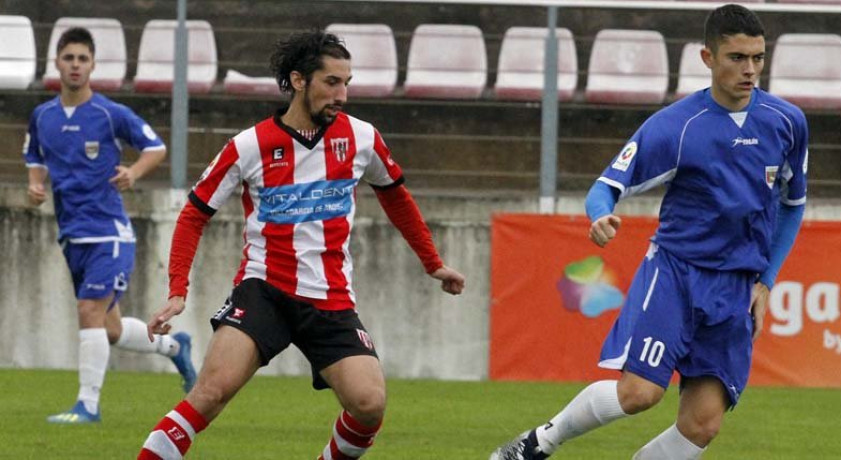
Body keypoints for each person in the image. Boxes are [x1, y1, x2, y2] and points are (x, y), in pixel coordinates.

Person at [491, 4, 807, 459]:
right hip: (677, 275)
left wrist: (765, 281)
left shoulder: (787, 122)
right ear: (707, 58)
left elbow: (792, 207)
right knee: (639, 393)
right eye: (737, 57)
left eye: (758, 57)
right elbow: (606, 185)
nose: (750, 69)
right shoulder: (675, 127)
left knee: (702, 425)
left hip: (736, 287)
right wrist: (599, 215)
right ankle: (537, 444)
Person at [136, 30, 465, 460]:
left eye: (347, 82)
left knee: (369, 404)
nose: (342, 94)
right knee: (210, 393)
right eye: (332, 82)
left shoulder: (362, 139)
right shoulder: (249, 145)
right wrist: (178, 291)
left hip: (330, 298)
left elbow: (396, 196)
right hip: (264, 291)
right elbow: (194, 213)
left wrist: (432, 262)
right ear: (298, 81)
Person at [23, 27, 197, 424]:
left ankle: (87, 405)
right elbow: (33, 153)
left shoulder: (109, 113)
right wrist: (35, 183)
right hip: (71, 234)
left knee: (89, 310)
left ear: (93, 65)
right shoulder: (43, 115)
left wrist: (133, 173)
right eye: (69, 58)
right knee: (110, 329)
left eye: (83, 59)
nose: (75, 65)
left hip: (108, 233)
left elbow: (155, 147)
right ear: (57, 63)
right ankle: (175, 347)